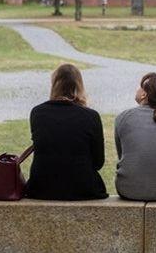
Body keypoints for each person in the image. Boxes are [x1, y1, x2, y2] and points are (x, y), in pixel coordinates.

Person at [24, 64, 108, 200]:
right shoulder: (91, 116)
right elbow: (98, 162)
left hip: (42, 187)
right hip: (83, 187)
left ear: (54, 84)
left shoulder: (38, 112)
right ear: (79, 85)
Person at [114, 73, 156, 201]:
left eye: (139, 86)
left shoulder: (123, 117)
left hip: (128, 189)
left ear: (144, 94)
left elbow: (122, 155)